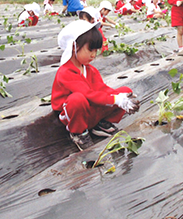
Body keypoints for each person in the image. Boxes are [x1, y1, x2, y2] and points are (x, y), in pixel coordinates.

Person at [51, 21, 140, 150]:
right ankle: (78, 133)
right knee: (77, 99)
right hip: (72, 114)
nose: (94, 55)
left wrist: (122, 97)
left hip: (89, 108)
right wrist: (115, 100)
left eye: (96, 50)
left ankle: (101, 124)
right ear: (74, 47)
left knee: (125, 91)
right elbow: (87, 94)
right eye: (90, 49)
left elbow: (102, 89)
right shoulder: (66, 72)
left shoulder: (90, 70)